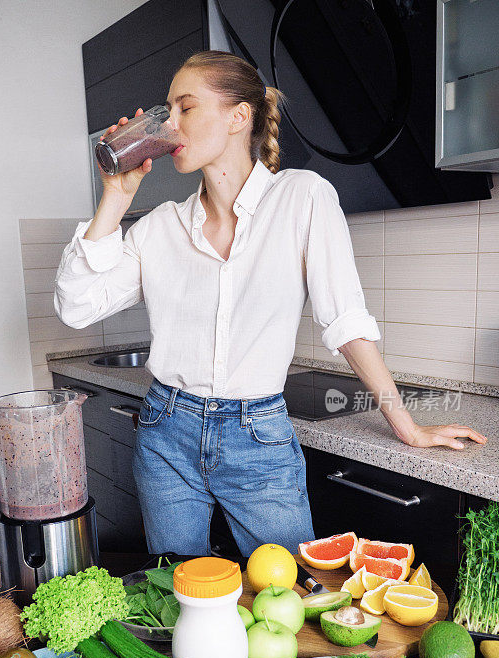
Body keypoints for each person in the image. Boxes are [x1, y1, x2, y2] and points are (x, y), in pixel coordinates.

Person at [54, 50, 487, 556]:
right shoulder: (158, 226)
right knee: (178, 594)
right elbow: (77, 307)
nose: (169, 125)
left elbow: (345, 320)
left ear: (239, 116)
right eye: (166, 112)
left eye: (185, 109)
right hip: (164, 431)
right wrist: (116, 195)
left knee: (288, 596)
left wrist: (407, 426)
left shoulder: (302, 197)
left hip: (257, 437)